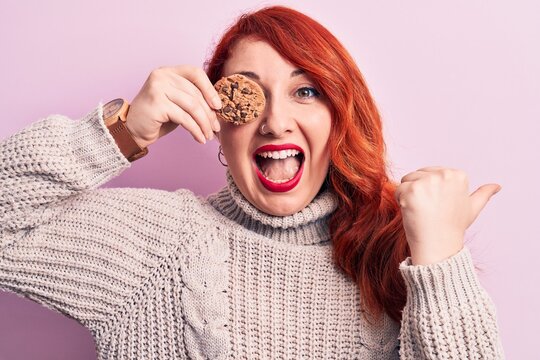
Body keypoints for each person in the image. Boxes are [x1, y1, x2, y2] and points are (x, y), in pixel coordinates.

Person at [0, 5, 505, 359]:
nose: (276, 122)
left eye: (305, 90)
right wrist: (121, 132)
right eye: (251, 95)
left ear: (340, 116)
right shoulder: (156, 244)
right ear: (219, 117)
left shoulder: (396, 253)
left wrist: (439, 262)